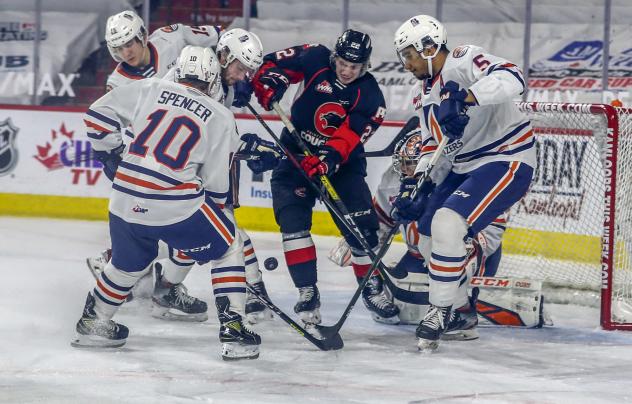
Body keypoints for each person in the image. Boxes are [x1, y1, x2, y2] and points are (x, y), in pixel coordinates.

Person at [72, 46, 261, 360]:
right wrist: (212, 214)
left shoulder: (151, 87)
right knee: (229, 244)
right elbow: (215, 184)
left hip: (123, 196)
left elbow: (96, 114)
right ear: (213, 79)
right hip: (174, 201)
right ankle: (235, 329)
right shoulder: (221, 115)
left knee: (126, 262)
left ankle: (93, 322)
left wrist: (111, 154)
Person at [90, 17, 273, 323]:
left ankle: (130, 293)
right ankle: (235, 294)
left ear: (143, 36)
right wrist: (112, 155)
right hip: (166, 165)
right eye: (119, 47)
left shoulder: (172, 40)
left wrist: (239, 83)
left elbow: (222, 35)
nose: (126, 52)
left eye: (130, 42)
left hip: (179, 160)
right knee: (222, 232)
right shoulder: (127, 82)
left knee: (189, 230)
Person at [392, 15, 535, 351]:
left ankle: (438, 310)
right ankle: (459, 313)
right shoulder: (423, 94)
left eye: (410, 54)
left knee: (447, 223)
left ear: (429, 47)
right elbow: (432, 145)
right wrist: (420, 185)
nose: (407, 63)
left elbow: (513, 77)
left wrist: (467, 97)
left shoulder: (463, 59)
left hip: (505, 157)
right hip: (462, 165)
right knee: (424, 235)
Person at [250, 29, 399, 325]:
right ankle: (307, 293)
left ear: (365, 66)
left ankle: (372, 289)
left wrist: (328, 160)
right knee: (292, 222)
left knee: (363, 230)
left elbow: (349, 136)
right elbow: (268, 64)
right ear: (334, 57)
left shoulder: (371, 96)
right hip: (295, 156)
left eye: (354, 67)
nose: (346, 71)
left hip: (341, 165)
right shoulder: (315, 57)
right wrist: (269, 83)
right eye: (342, 63)